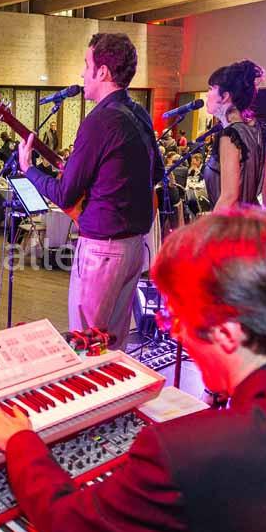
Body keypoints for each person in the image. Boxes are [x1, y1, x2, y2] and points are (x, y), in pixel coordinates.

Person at [0, 206, 266, 532]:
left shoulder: (180, 452)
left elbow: (70, 527)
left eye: (177, 317)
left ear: (228, 334)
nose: (175, 332)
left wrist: (20, 440)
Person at [20, 32, 163, 348]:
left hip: (103, 250)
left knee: (88, 343)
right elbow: (156, 174)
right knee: (114, 344)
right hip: (133, 247)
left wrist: (28, 168)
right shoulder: (138, 112)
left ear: (103, 72)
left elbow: (65, 194)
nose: (82, 74)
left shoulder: (99, 120)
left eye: (86, 65)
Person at [203, 60, 266, 211]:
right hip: (251, 223)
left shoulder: (230, 135)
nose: (207, 94)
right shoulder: (257, 130)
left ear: (225, 96)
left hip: (231, 226)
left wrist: (208, 231)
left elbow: (229, 196)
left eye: (211, 88)